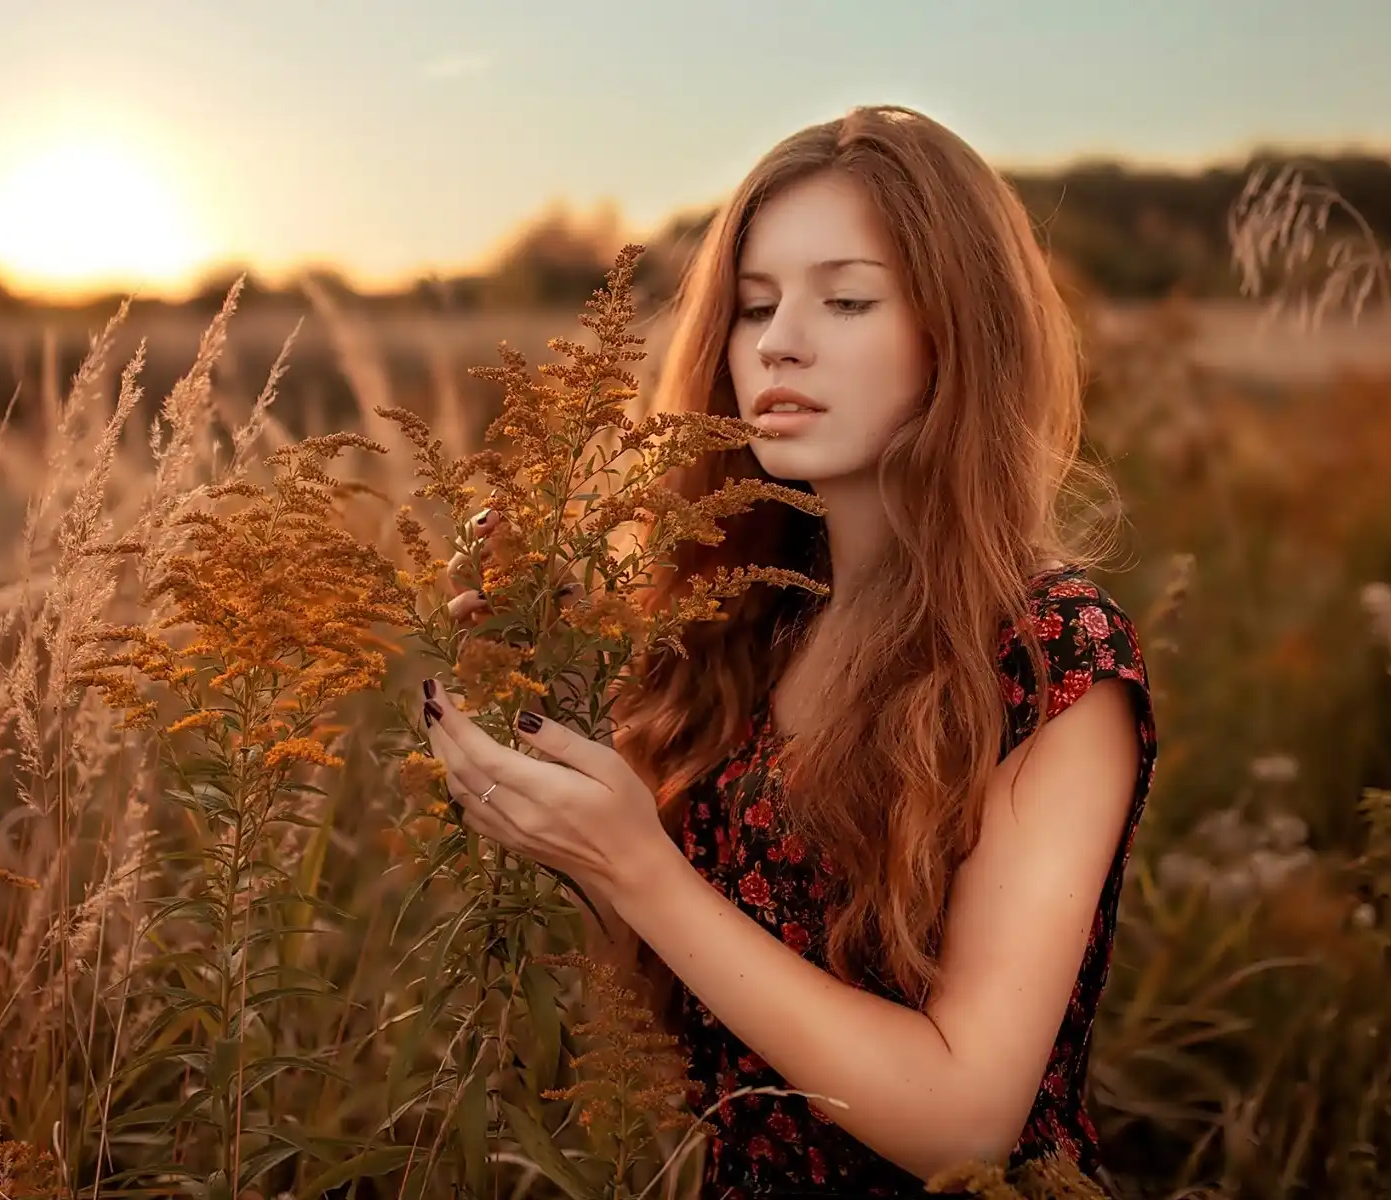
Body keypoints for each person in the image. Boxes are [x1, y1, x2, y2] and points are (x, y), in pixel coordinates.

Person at [419, 103, 1158, 1199]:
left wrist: (642, 866)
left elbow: (968, 1120)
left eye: (846, 299)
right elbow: (686, 1010)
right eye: (754, 306)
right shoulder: (749, 628)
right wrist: (566, 755)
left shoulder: (1056, 655)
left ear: (962, 329)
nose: (778, 341)